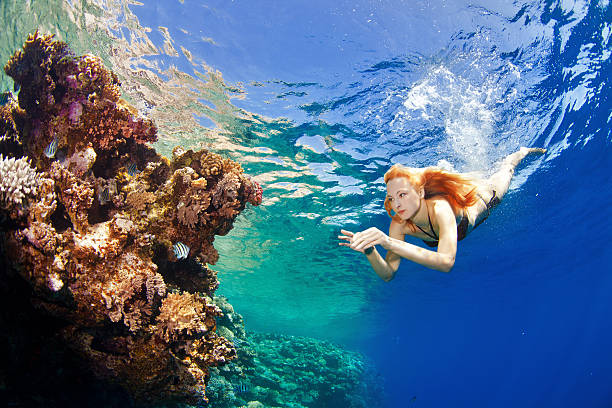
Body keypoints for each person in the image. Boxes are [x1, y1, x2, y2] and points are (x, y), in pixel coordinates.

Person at [338, 147, 546, 280]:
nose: (397, 204)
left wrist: (388, 242)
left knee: (506, 170)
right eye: (392, 198)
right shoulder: (399, 224)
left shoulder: (440, 208)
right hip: (461, 212)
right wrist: (370, 251)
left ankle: (518, 153)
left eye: (402, 194)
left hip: (485, 198)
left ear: (420, 192)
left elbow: (446, 262)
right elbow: (388, 274)